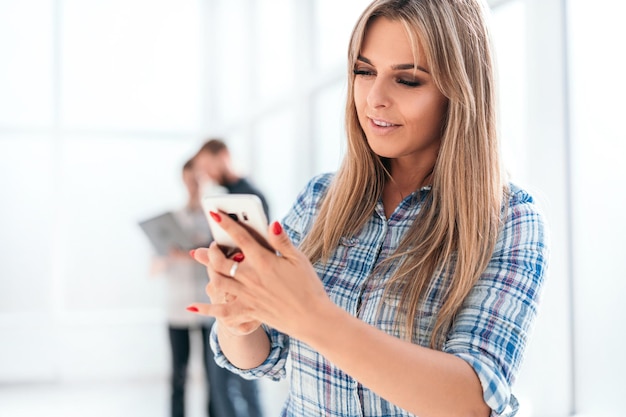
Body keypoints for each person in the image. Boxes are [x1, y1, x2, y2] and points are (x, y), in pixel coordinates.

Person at [186, 1, 549, 416]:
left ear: (460, 93)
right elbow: (266, 356)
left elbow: (472, 403)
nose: (374, 99)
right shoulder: (321, 198)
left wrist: (314, 317)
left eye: (407, 80)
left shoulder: (512, 221)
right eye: (363, 72)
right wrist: (240, 319)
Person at [192, 138, 266, 417]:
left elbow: (258, 250)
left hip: (250, 298)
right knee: (221, 379)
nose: (207, 173)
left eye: (207, 165)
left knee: (247, 381)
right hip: (227, 294)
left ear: (223, 156)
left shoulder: (250, 196)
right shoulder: (225, 195)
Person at [151, 159, 214, 417]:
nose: (194, 186)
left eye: (198, 180)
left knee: (214, 376)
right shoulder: (171, 220)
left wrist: (193, 252)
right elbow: (153, 269)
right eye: (190, 180)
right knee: (178, 375)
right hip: (177, 308)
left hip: (208, 307)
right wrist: (168, 255)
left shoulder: (214, 220)